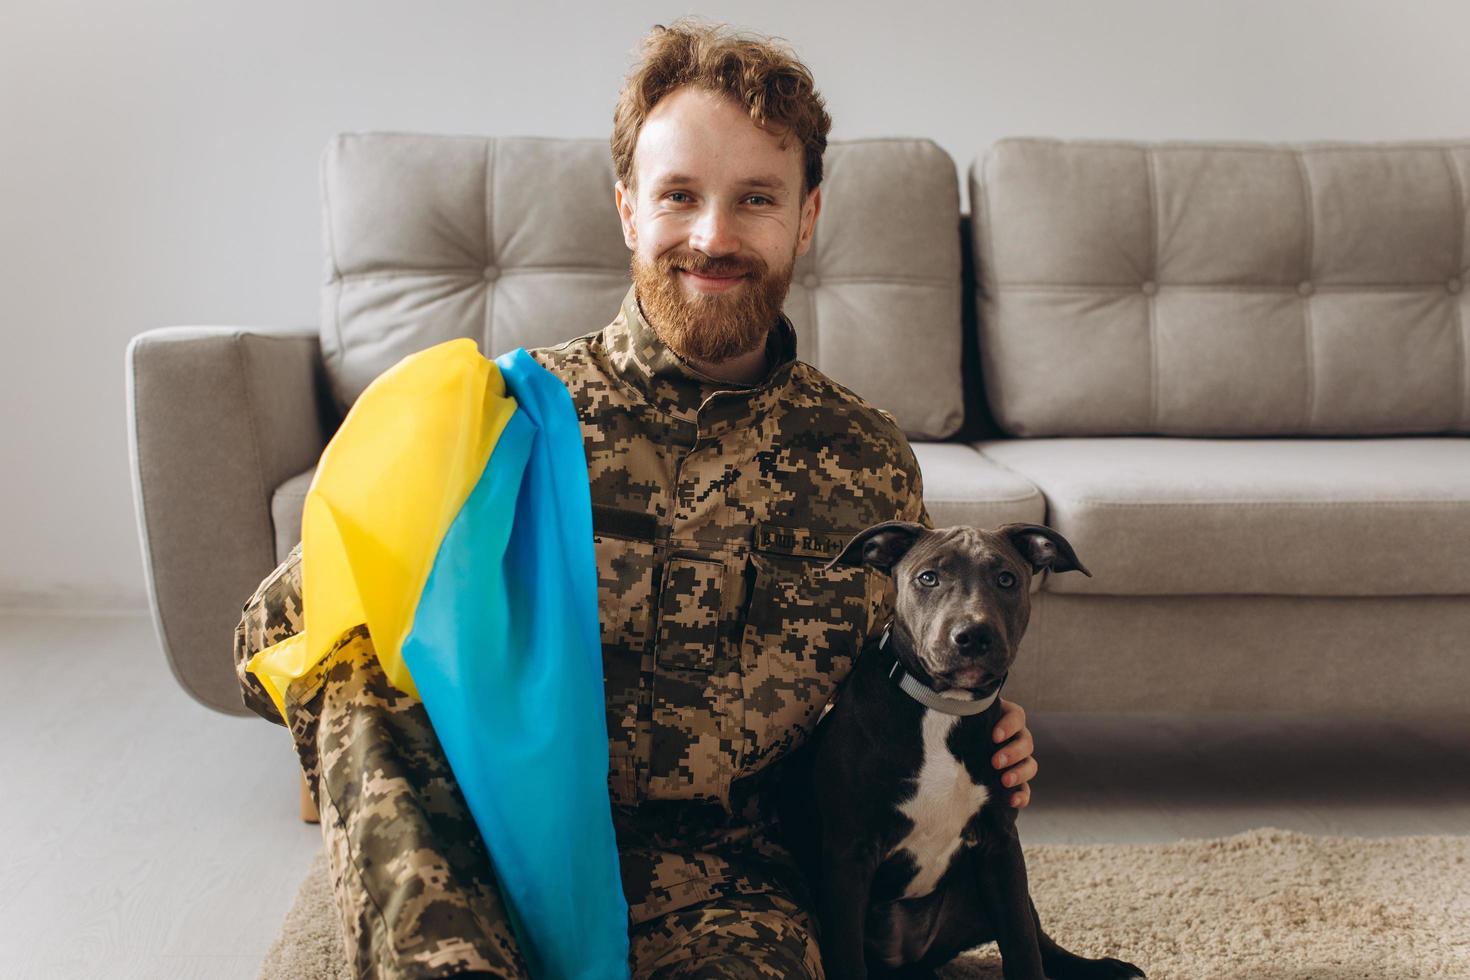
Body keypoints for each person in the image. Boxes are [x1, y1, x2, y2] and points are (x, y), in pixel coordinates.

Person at [235, 18, 1038, 979]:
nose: (714, 235)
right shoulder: (504, 420)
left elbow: (862, 695)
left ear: (807, 216)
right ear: (627, 209)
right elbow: (271, 641)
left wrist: (964, 716)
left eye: (755, 199)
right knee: (358, 678)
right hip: (496, 852)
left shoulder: (865, 462)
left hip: (730, 879)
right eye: (680, 196)